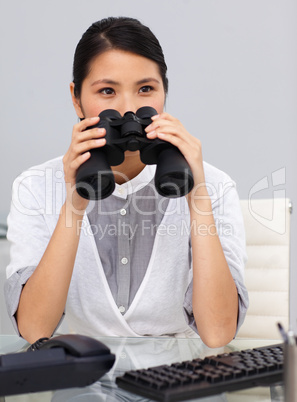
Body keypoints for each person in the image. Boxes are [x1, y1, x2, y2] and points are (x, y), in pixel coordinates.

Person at [5, 17, 248, 347]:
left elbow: (218, 333)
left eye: (146, 89)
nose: (129, 109)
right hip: (80, 380)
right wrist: (76, 202)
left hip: (177, 383)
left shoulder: (214, 185)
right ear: (76, 98)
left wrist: (197, 195)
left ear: (165, 92)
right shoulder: (34, 187)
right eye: (107, 91)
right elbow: (35, 329)